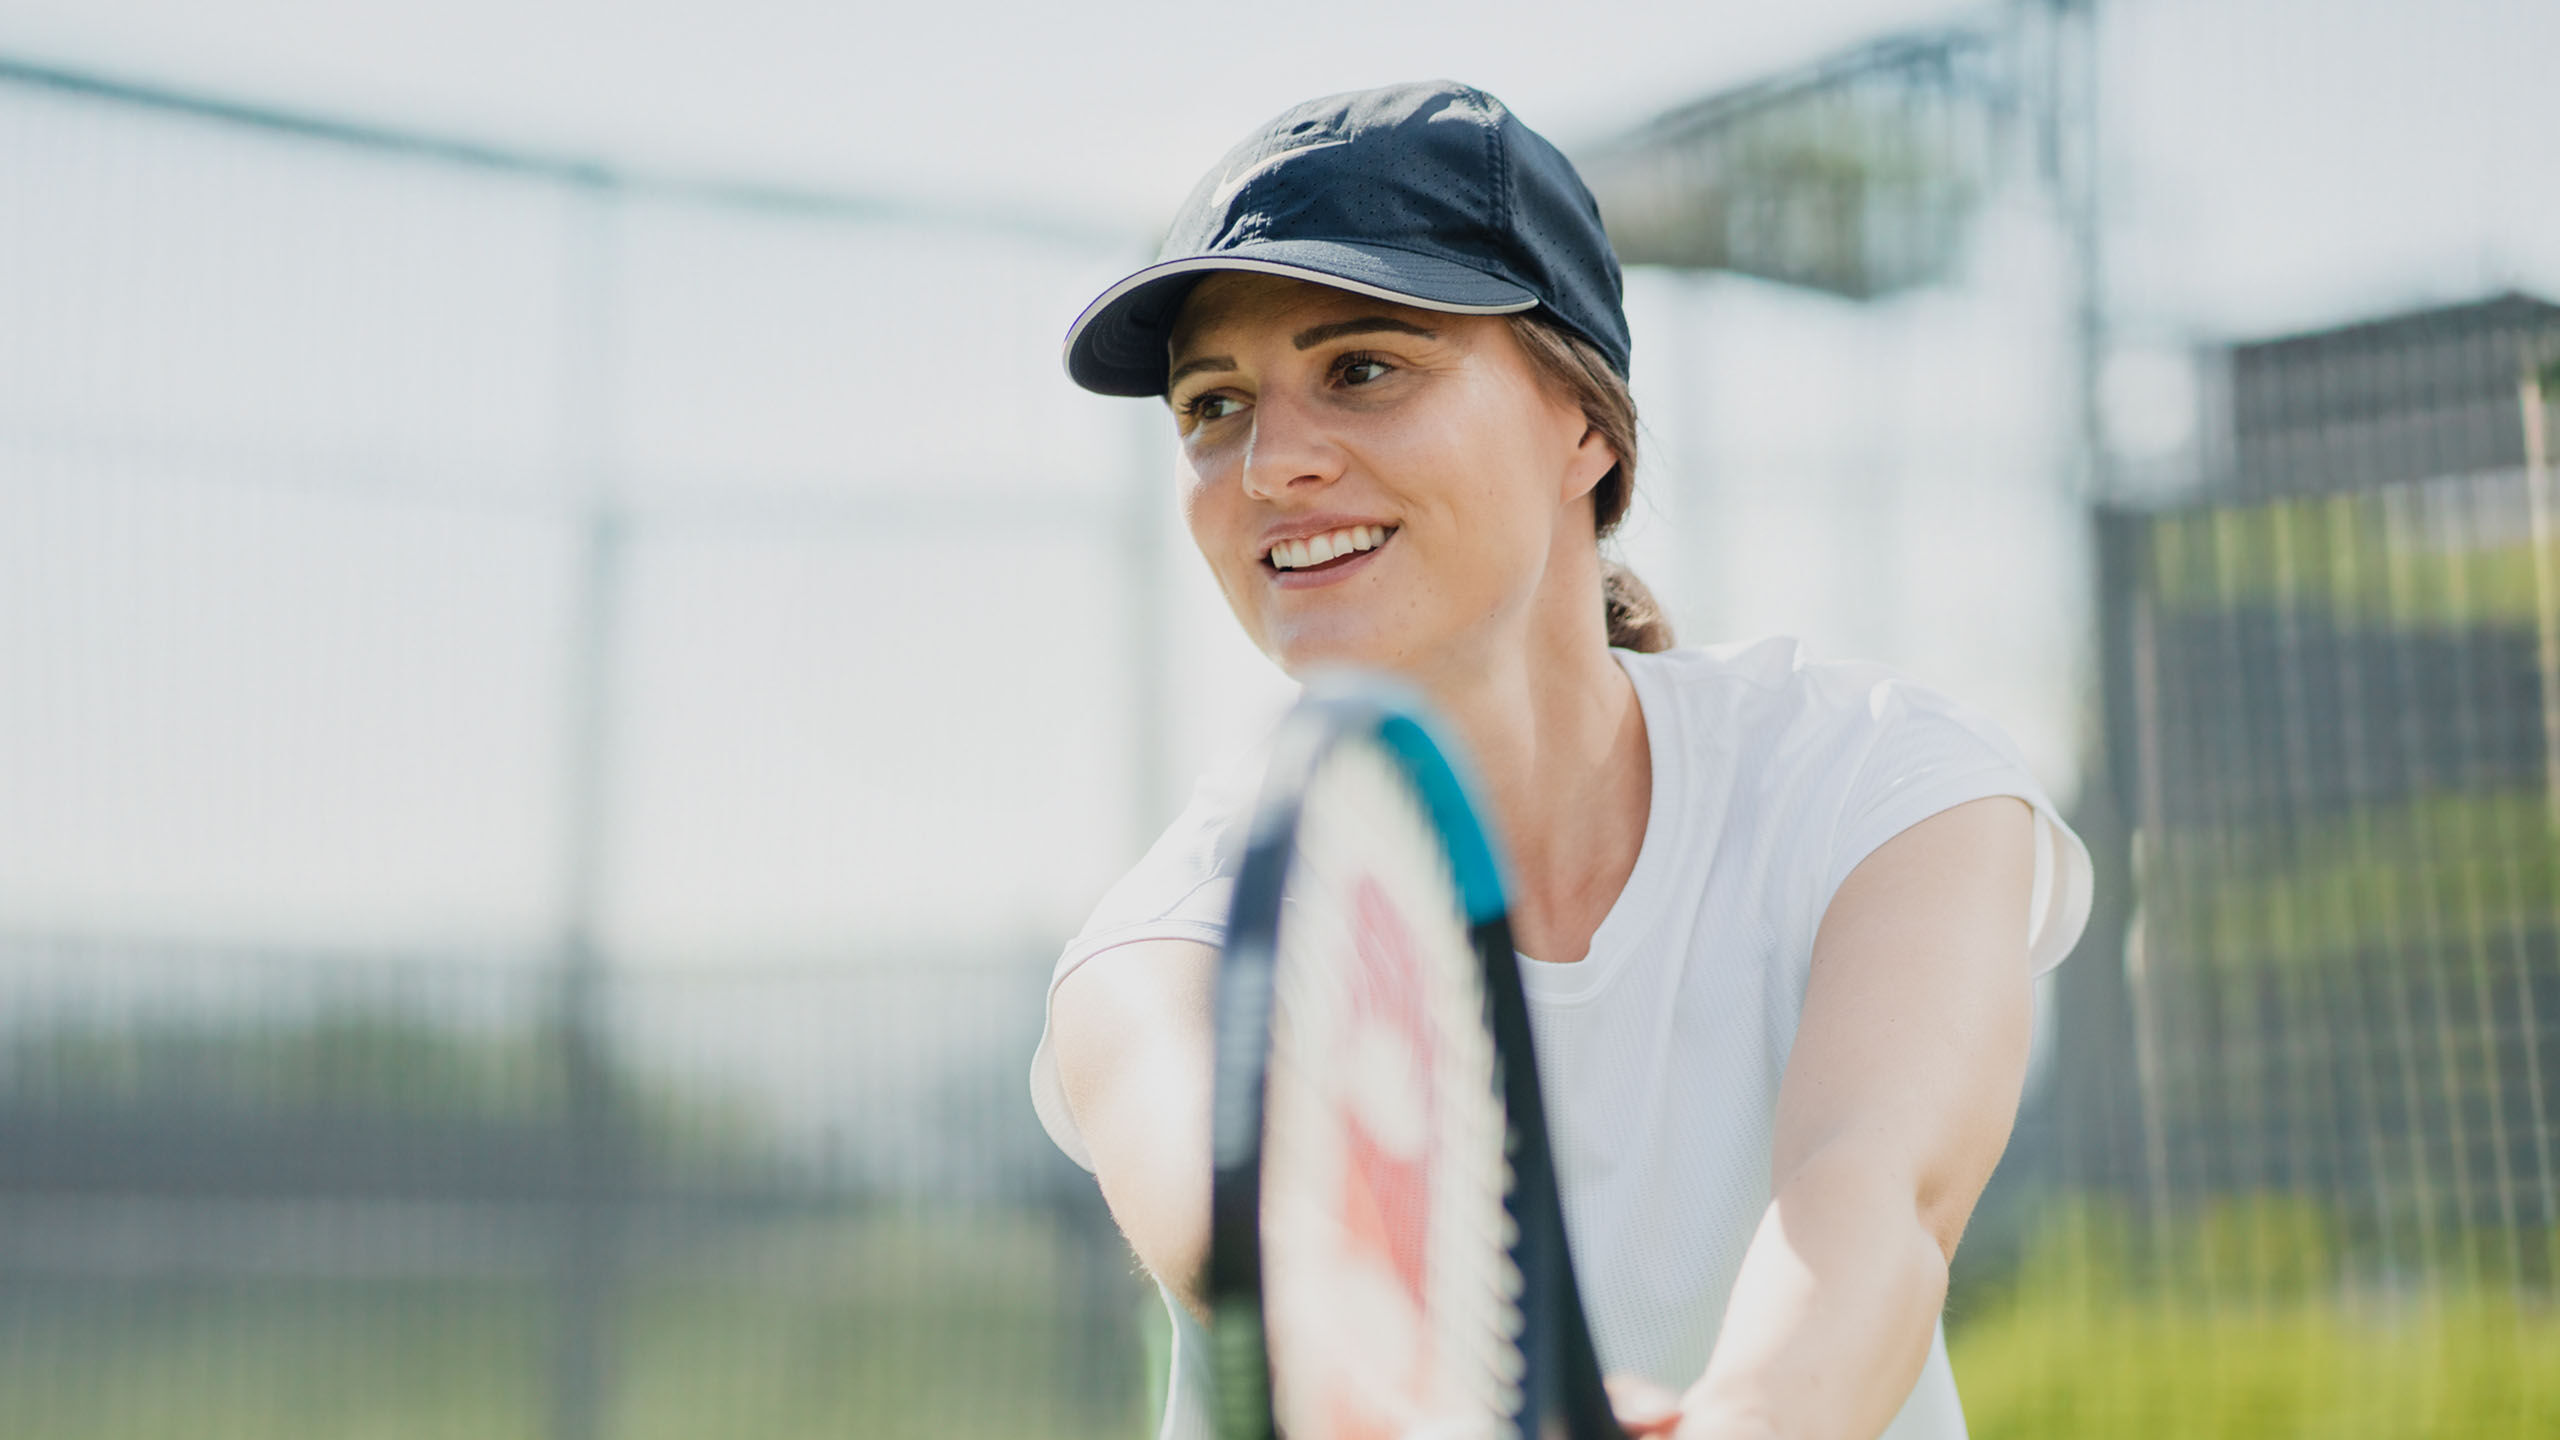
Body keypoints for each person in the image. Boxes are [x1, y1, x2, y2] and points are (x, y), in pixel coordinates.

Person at [1026, 81, 2093, 1440]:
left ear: (1584, 423)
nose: (1268, 464)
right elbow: (1303, 1302)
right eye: (1213, 406)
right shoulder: (1160, 956)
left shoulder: (1887, 790)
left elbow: (1872, 1201)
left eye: (1364, 367)